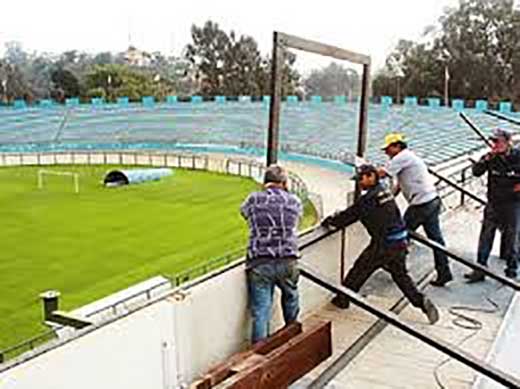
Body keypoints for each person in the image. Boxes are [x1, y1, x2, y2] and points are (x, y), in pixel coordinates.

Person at [322, 164, 439, 324]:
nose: (359, 184)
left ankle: (343, 299)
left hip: (383, 244)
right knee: (400, 276)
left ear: (371, 176)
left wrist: (330, 221)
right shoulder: (384, 191)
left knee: (359, 270)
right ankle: (420, 301)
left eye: (361, 179)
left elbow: (349, 216)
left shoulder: (369, 199)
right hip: (400, 241)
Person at [379, 133, 453, 287]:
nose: (386, 152)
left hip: (421, 204)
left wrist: (364, 169)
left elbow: (382, 174)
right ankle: (444, 272)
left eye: (388, 149)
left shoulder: (402, 157)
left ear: (398, 146)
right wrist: (391, 197)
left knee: (399, 235)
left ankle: (396, 268)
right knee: (436, 240)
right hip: (431, 200)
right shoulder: (406, 158)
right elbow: (400, 184)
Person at [240, 165, 303, 343]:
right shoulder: (294, 200)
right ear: (284, 182)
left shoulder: (253, 199)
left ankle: (259, 352)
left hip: (259, 261)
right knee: (291, 296)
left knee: (261, 310)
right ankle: (293, 335)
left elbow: (244, 213)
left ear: (265, 182)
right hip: (287, 258)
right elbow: (296, 219)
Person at [465, 128, 520, 282]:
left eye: (498, 141)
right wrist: (486, 159)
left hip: (513, 204)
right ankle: (480, 268)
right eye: (493, 141)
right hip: (493, 203)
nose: (494, 144)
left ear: (508, 142)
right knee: (485, 236)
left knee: (512, 236)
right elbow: (476, 172)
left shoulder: (518, 156)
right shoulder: (491, 157)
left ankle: (512, 268)